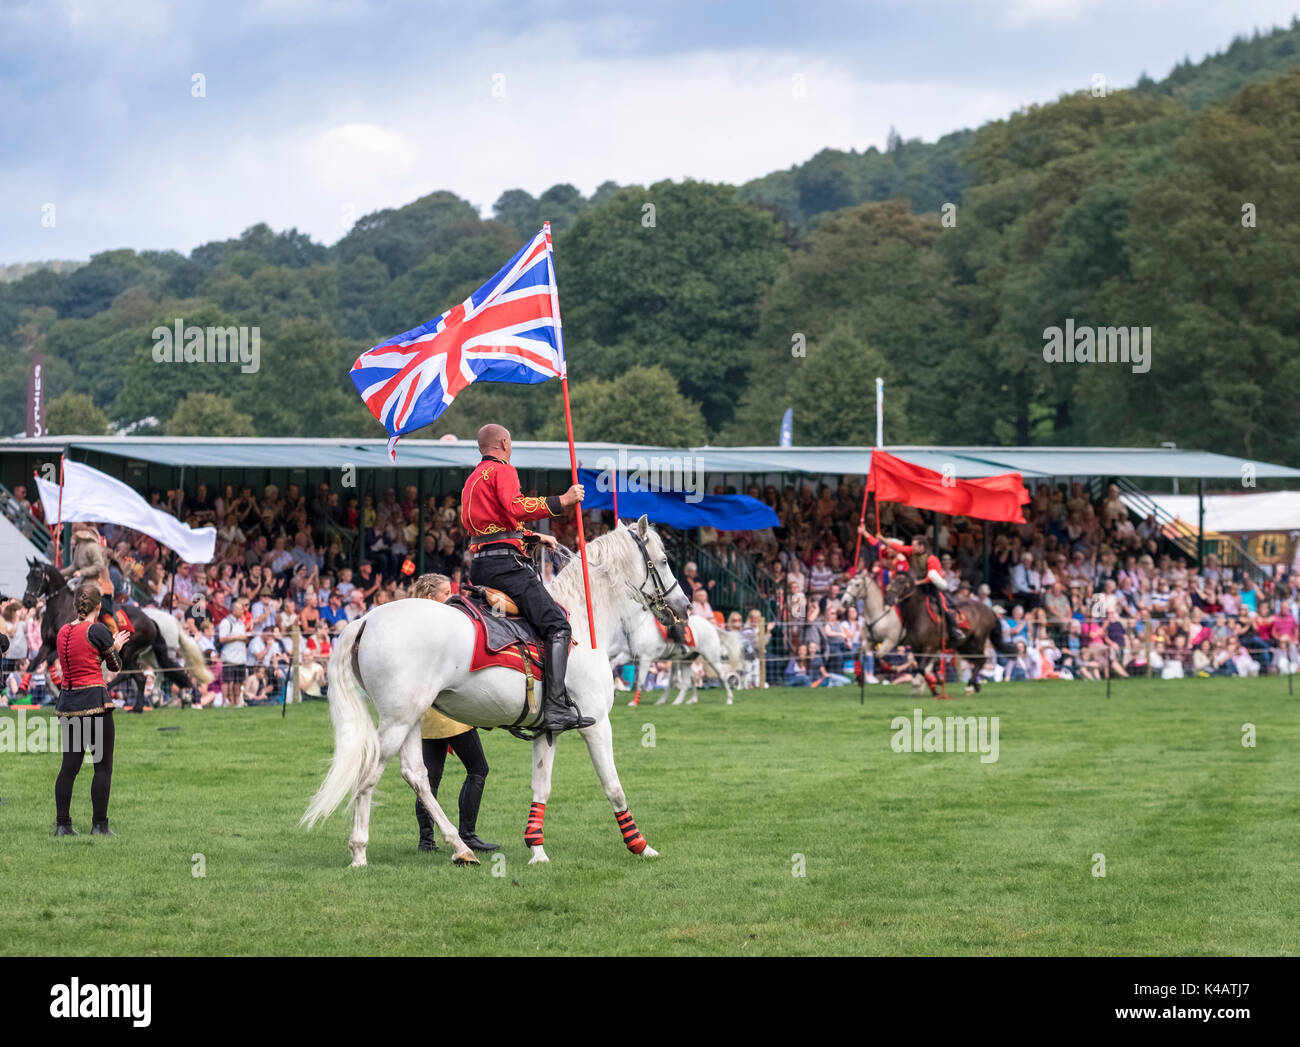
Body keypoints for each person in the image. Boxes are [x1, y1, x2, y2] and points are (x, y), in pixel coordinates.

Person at [461, 423, 591, 734]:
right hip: (506, 567)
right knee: (558, 623)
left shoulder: (472, 479)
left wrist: (532, 536)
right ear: (504, 443)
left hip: (480, 564)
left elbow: (492, 523)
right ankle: (556, 707)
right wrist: (562, 501)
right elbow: (514, 506)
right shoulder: (504, 470)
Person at [409, 573, 498, 852]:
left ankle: (426, 840)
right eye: (446, 592)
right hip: (451, 710)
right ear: (429, 597)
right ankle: (467, 835)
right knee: (478, 768)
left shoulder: (414, 623)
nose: (452, 596)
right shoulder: (439, 625)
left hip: (427, 713)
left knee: (430, 776)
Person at [53, 582, 129, 837]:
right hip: (95, 701)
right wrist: (116, 647)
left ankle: (63, 825)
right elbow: (115, 666)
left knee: (68, 768)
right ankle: (99, 825)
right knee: (102, 766)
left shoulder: (63, 631)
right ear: (99, 606)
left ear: (76, 605)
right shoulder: (98, 630)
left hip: (68, 703)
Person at [860, 526, 968, 644]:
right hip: (917, 585)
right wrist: (882, 539)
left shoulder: (932, 560)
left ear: (922, 546)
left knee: (943, 606)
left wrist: (918, 582)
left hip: (931, 585)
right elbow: (897, 547)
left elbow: (931, 577)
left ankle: (954, 629)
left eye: (915, 545)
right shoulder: (911, 551)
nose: (913, 546)